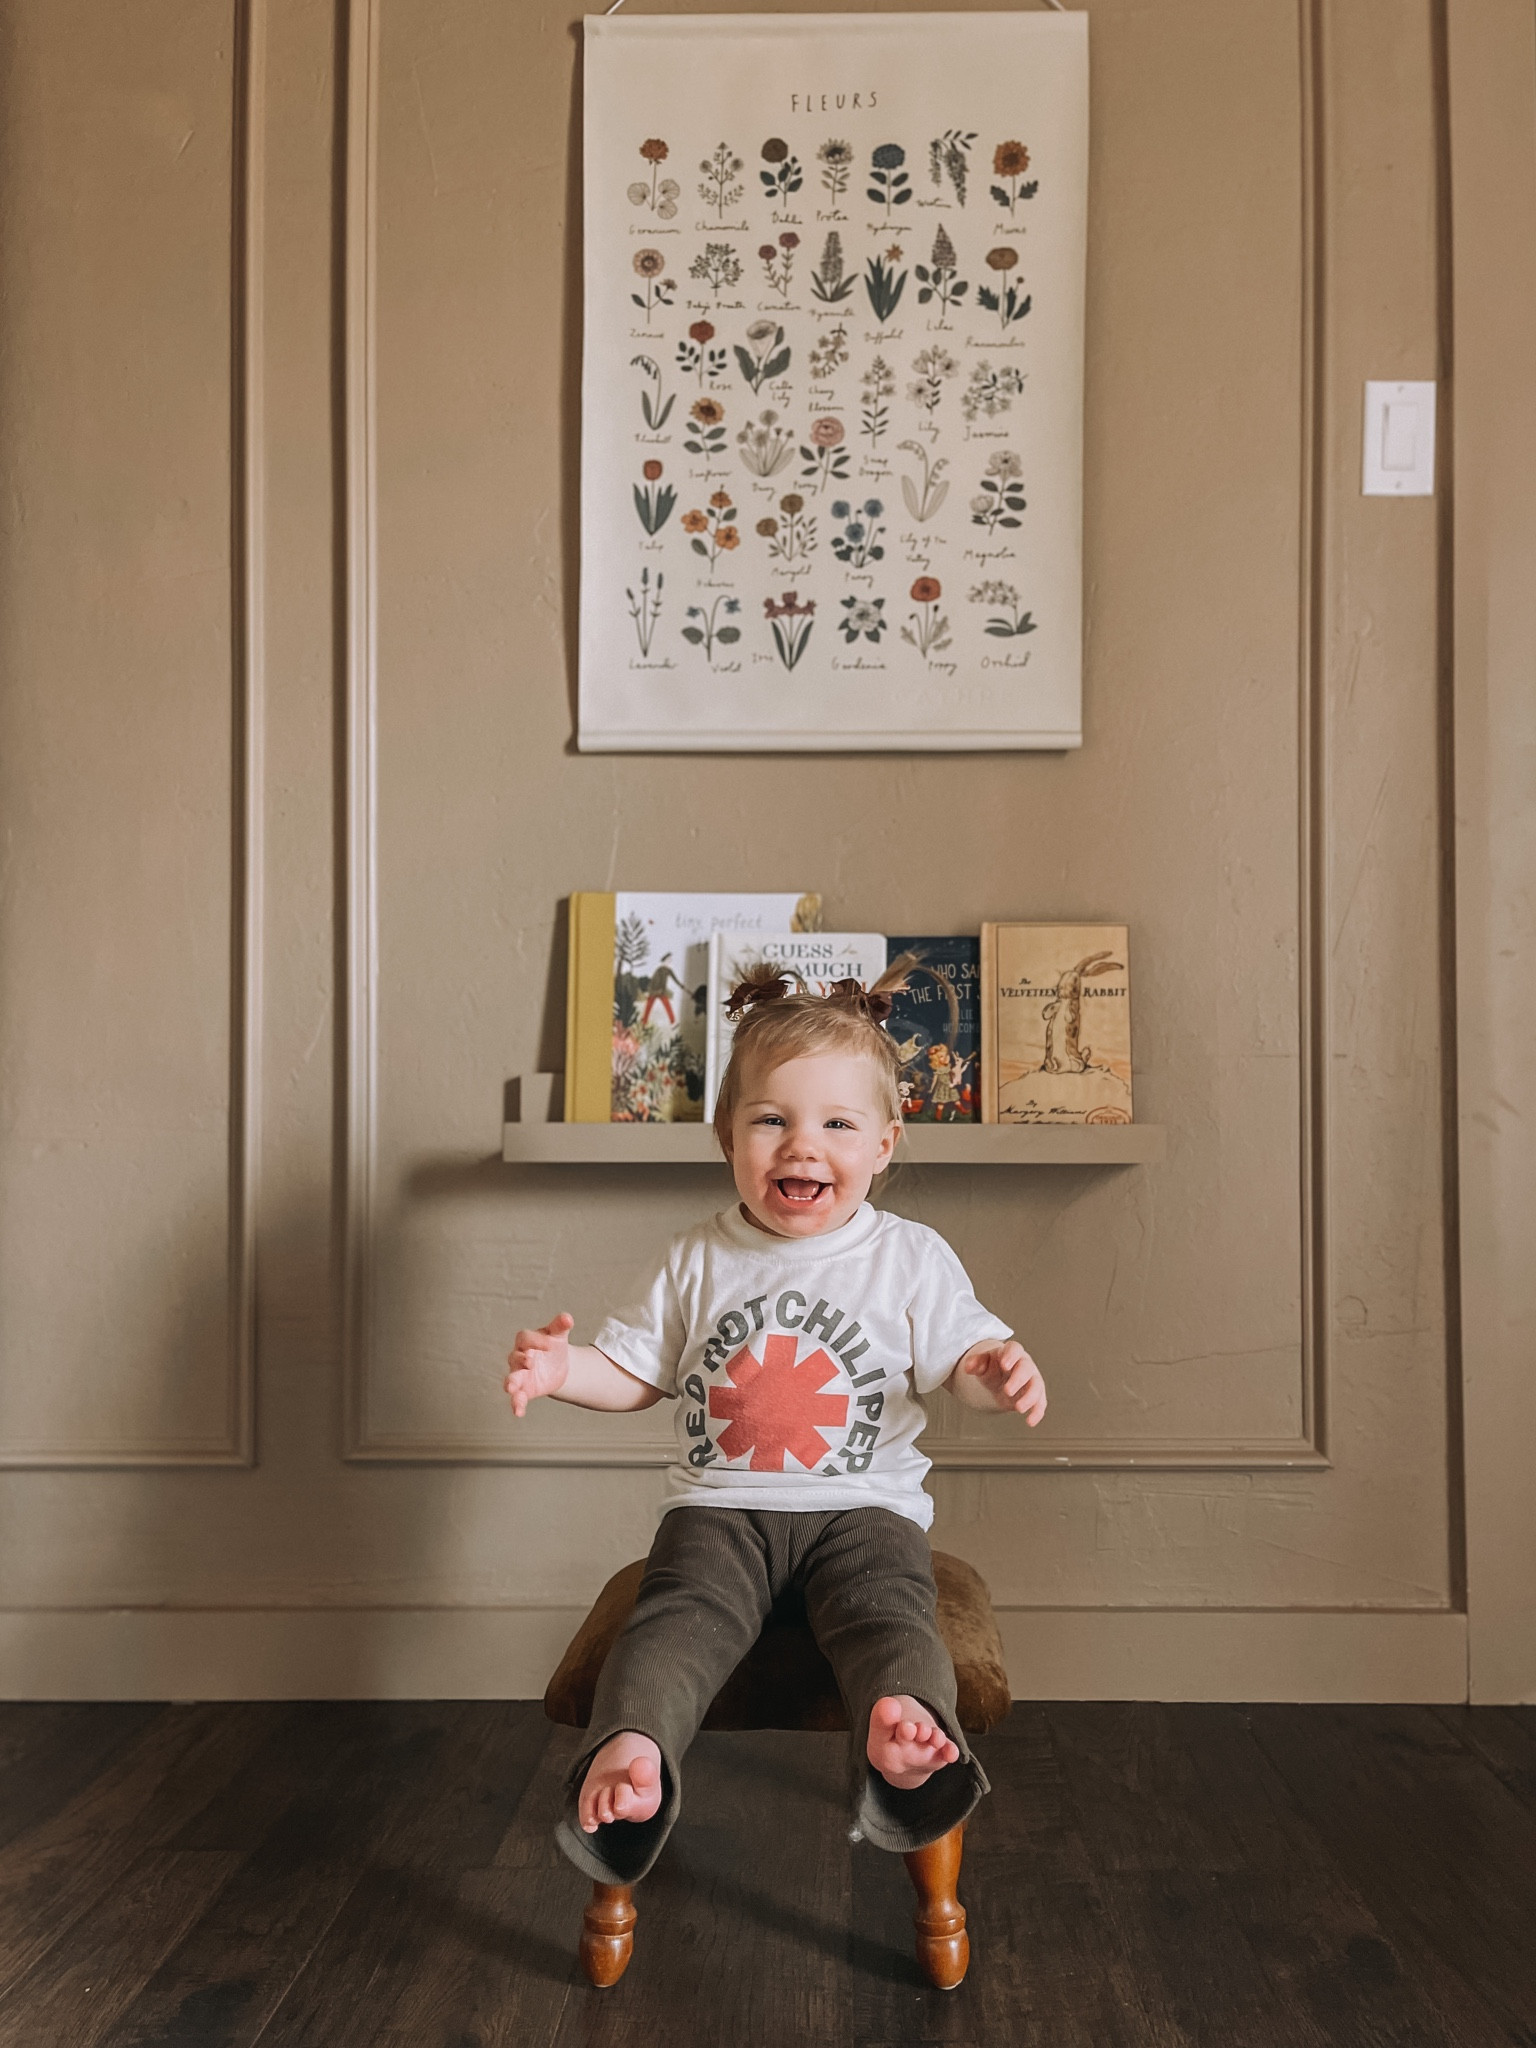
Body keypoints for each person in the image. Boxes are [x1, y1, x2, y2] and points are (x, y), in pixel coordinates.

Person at [503, 967, 1047, 1888]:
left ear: (885, 1142)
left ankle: (903, 1729)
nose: (803, 1145)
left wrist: (995, 1373)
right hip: (718, 1514)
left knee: (891, 1618)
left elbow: (962, 1362)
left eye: (837, 1124)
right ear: (727, 1137)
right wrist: (564, 1370)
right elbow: (635, 1373)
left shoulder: (907, 1258)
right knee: (670, 1628)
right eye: (771, 1120)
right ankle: (633, 1756)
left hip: (864, 1514)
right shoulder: (697, 1258)